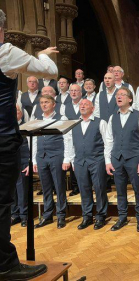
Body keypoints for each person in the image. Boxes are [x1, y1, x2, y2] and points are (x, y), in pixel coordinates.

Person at [0, 9, 58, 278]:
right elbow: (50, 71)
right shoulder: (6, 52)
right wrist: (44, 54)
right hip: (2, 140)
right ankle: (5, 265)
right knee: (2, 203)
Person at [105, 87, 139, 232]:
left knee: (138, 189)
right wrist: (108, 160)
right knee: (120, 190)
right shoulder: (112, 117)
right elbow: (109, 140)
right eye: (117, 95)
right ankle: (122, 217)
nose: (119, 97)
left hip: (133, 157)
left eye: (122, 94)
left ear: (130, 99)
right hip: (117, 158)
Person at [32, 95, 71, 230]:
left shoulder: (62, 118)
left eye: (46, 102)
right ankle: (47, 215)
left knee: (59, 186)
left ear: (53, 104)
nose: (44, 105)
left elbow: (67, 139)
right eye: (42, 103)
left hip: (56, 155)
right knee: (46, 187)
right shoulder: (37, 120)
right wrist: (34, 160)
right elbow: (35, 140)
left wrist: (67, 158)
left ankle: (61, 215)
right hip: (41, 157)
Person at [71, 99, 109, 230]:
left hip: (96, 160)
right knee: (84, 189)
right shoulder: (74, 123)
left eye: (85, 104)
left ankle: (101, 216)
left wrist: (107, 160)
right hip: (79, 161)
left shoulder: (101, 122)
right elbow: (70, 144)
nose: (82, 106)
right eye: (81, 105)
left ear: (92, 108)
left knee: (99, 188)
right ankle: (87, 216)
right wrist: (72, 161)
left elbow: (108, 142)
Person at [11, 105, 30, 228]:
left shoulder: (27, 127)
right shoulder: (7, 128)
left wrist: (29, 162)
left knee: (22, 190)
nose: (14, 113)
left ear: (21, 113)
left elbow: (31, 146)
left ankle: (24, 216)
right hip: (10, 163)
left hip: (23, 162)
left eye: (17, 111)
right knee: (12, 191)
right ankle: (14, 214)